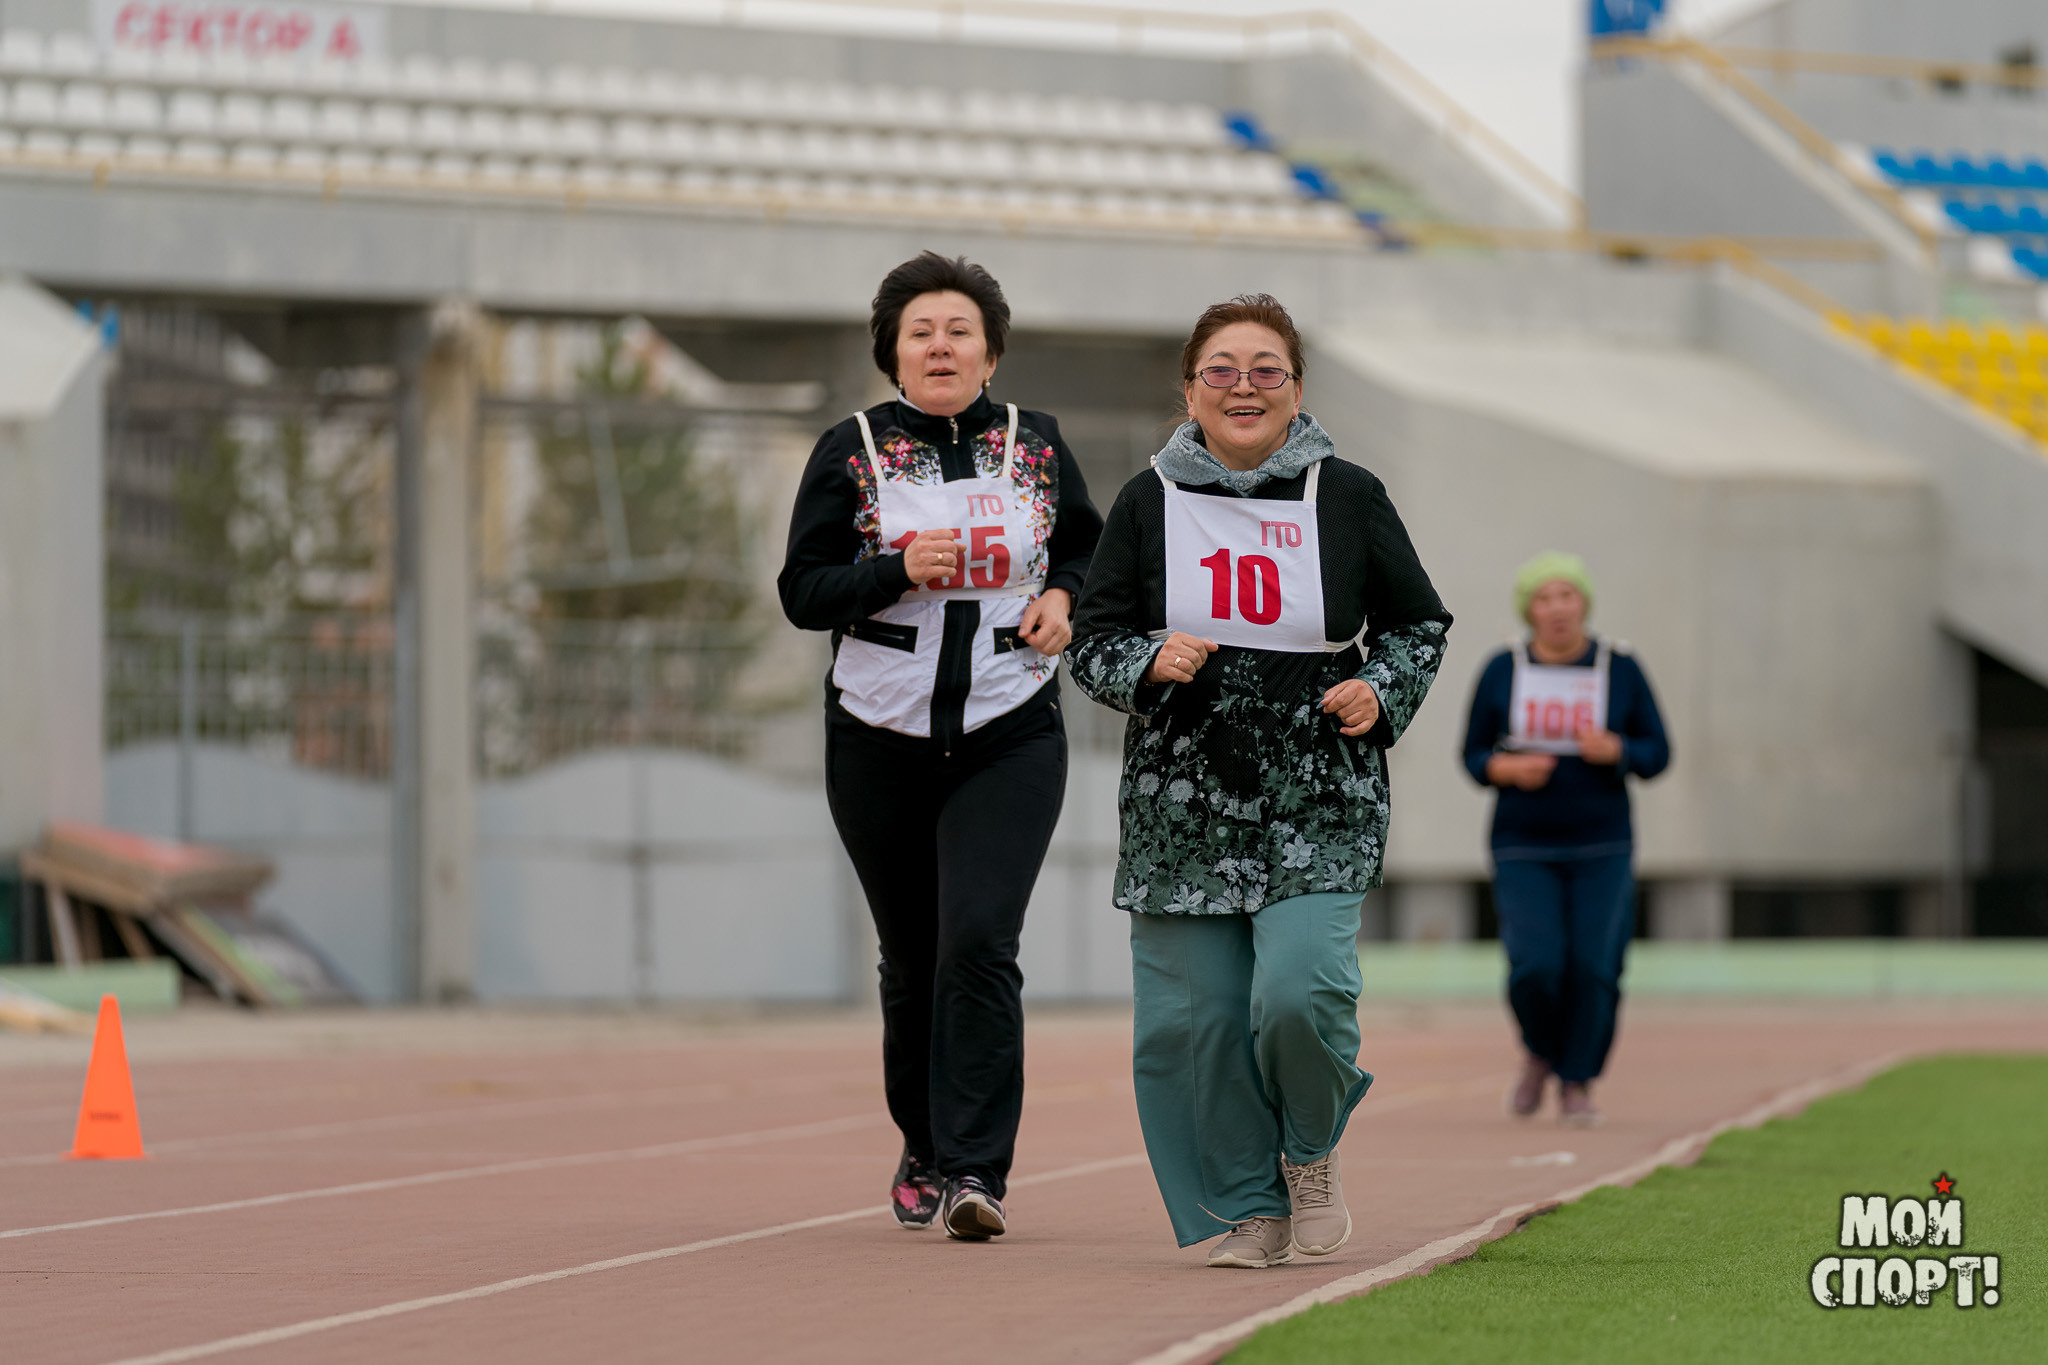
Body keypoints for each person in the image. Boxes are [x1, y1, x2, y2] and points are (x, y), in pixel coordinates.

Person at [1066, 294, 1451, 1268]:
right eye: (1222, 370)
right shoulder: (1147, 500)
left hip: (1317, 794)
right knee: (1195, 1022)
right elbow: (1093, 640)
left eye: (1265, 369)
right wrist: (1145, 662)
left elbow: (1417, 624)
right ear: (1190, 388)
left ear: (1296, 388)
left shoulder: (1347, 494)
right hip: (1181, 801)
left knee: (1298, 994)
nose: (1244, 387)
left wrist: (1378, 686)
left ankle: (1309, 1152)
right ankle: (1250, 1206)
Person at [778, 252, 1102, 1240]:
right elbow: (803, 592)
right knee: (913, 955)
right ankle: (922, 1140)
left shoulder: (1036, 444)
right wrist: (892, 570)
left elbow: (1086, 547)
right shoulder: (850, 450)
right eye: (920, 332)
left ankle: (974, 1172)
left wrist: (1064, 598)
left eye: (960, 330)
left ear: (991, 351)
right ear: (893, 353)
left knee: (978, 940)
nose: (940, 346)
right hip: (877, 735)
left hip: (1010, 728)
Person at [1459, 553, 1670, 1127]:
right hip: (1523, 844)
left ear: (1584, 603)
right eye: (1544, 598)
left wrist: (1618, 750)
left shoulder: (1619, 666)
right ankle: (1540, 1050)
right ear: (1528, 609)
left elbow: (1658, 752)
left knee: (1595, 967)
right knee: (1535, 965)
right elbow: (1473, 755)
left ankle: (1577, 1080)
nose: (1557, 609)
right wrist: (1506, 768)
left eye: (1567, 596)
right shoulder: (1502, 667)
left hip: (1602, 844)